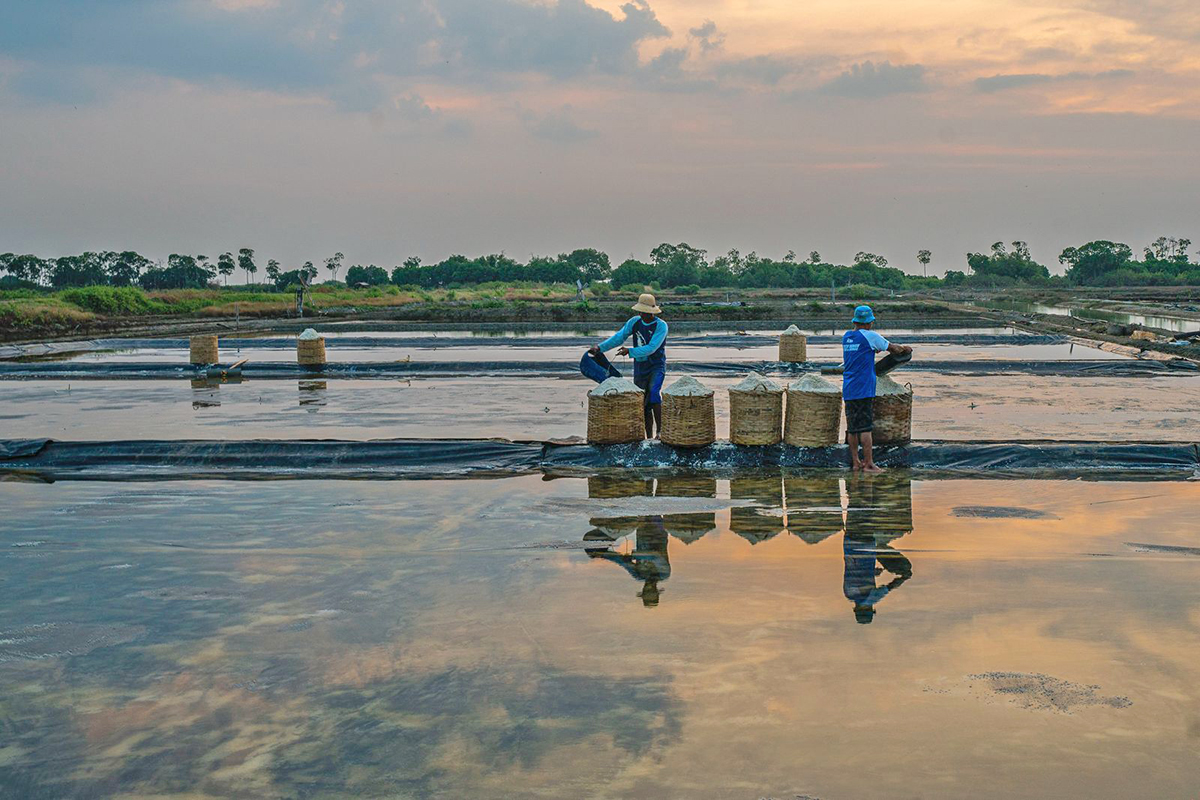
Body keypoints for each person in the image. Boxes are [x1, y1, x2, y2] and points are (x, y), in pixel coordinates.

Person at [842, 305, 911, 472]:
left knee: (852, 428)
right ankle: (869, 463)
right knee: (865, 427)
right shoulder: (871, 336)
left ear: (856, 321)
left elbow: (863, 351)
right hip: (864, 387)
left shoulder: (847, 337)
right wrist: (905, 348)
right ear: (869, 322)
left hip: (849, 387)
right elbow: (894, 348)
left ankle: (856, 463)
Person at [590, 293, 668, 438]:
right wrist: (599, 348)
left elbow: (652, 348)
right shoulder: (634, 322)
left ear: (651, 312)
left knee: (654, 392)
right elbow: (619, 337)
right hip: (640, 367)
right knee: (642, 400)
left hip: (656, 365)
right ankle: (649, 436)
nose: (640, 313)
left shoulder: (661, 326)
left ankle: (660, 431)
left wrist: (630, 351)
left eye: (644, 311)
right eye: (640, 311)